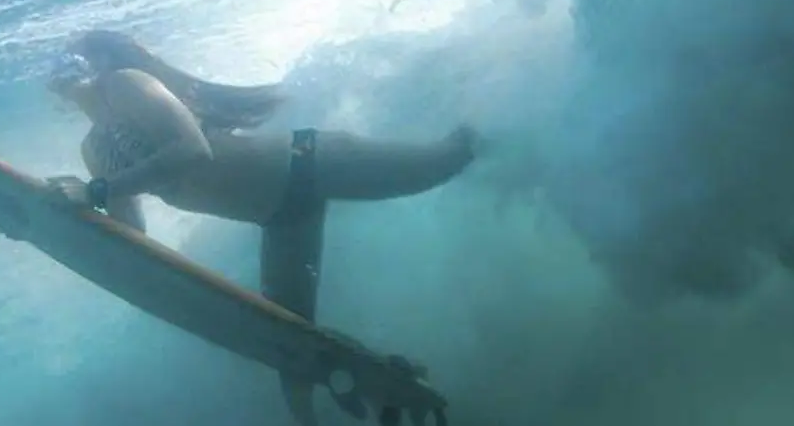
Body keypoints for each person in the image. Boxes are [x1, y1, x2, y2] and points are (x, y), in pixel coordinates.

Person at [46, 29, 480, 324]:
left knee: (448, 161)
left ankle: (492, 107)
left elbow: (193, 151)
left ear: (102, 61)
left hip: (309, 161)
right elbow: (132, 236)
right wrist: (62, 218)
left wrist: (96, 191)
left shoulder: (126, 84)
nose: (63, 65)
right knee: (292, 348)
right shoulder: (93, 152)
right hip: (279, 218)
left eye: (76, 53)